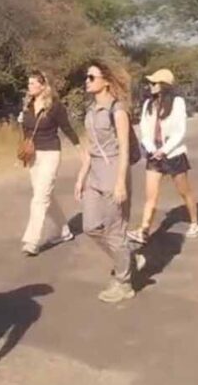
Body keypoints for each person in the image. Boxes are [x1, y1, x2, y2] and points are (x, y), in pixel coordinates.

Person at [74, 59, 137, 304]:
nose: (87, 81)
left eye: (92, 77)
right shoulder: (91, 110)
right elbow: (90, 147)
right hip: (94, 174)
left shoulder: (117, 110)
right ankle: (127, 258)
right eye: (87, 77)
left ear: (106, 81)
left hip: (113, 172)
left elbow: (124, 148)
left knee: (115, 230)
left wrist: (121, 182)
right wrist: (81, 177)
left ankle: (124, 283)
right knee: (90, 226)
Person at [129, 69, 198, 244]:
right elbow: (144, 129)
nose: (151, 86)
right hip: (154, 155)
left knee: (184, 191)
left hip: (173, 153)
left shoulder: (177, 103)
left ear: (164, 85)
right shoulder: (148, 104)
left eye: (154, 83)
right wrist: (151, 148)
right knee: (151, 196)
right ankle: (144, 229)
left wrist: (164, 150)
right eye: (150, 83)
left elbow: (180, 131)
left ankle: (195, 222)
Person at [19, 71, 81, 256]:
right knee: (45, 195)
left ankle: (31, 241)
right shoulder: (27, 105)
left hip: (51, 153)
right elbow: (26, 132)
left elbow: (66, 127)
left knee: (40, 198)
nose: (29, 86)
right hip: (34, 155)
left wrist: (80, 148)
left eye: (33, 83)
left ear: (42, 85)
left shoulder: (55, 106)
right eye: (28, 83)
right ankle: (64, 231)